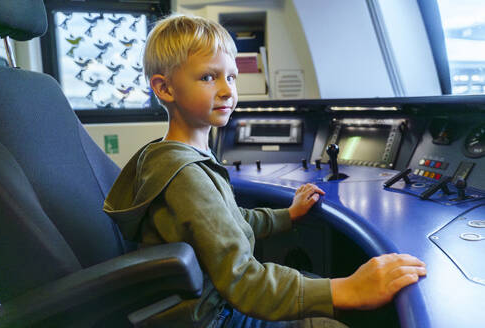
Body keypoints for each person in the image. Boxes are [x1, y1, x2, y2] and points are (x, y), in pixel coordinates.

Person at [103, 14, 426, 328]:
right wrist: (350, 288)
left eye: (231, 77)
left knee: (326, 289)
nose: (228, 90)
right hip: (215, 316)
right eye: (208, 77)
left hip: (214, 300)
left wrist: (288, 215)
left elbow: (229, 221)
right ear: (165, 88)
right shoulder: (186, 175)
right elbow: (245, 283)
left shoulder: (178, 156)